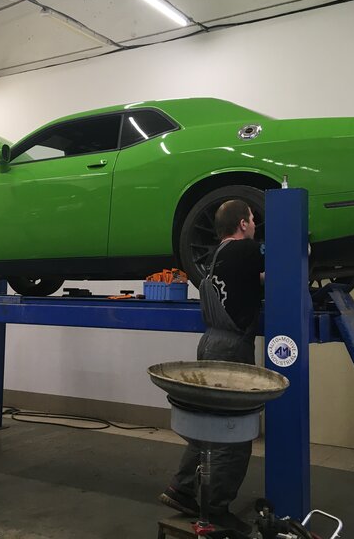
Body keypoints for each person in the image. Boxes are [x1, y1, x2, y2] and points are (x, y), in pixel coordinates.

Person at [158, 199, 264, 533]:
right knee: (233, 431)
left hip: (210, 341)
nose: (255, 225)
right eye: (252, 219)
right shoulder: (247, 250)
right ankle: (215, 508)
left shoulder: (214, 255)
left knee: (208, 423)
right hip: (231, 346)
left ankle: (182, 489)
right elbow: (285, 263)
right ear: (243, 224)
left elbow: (251, 280)